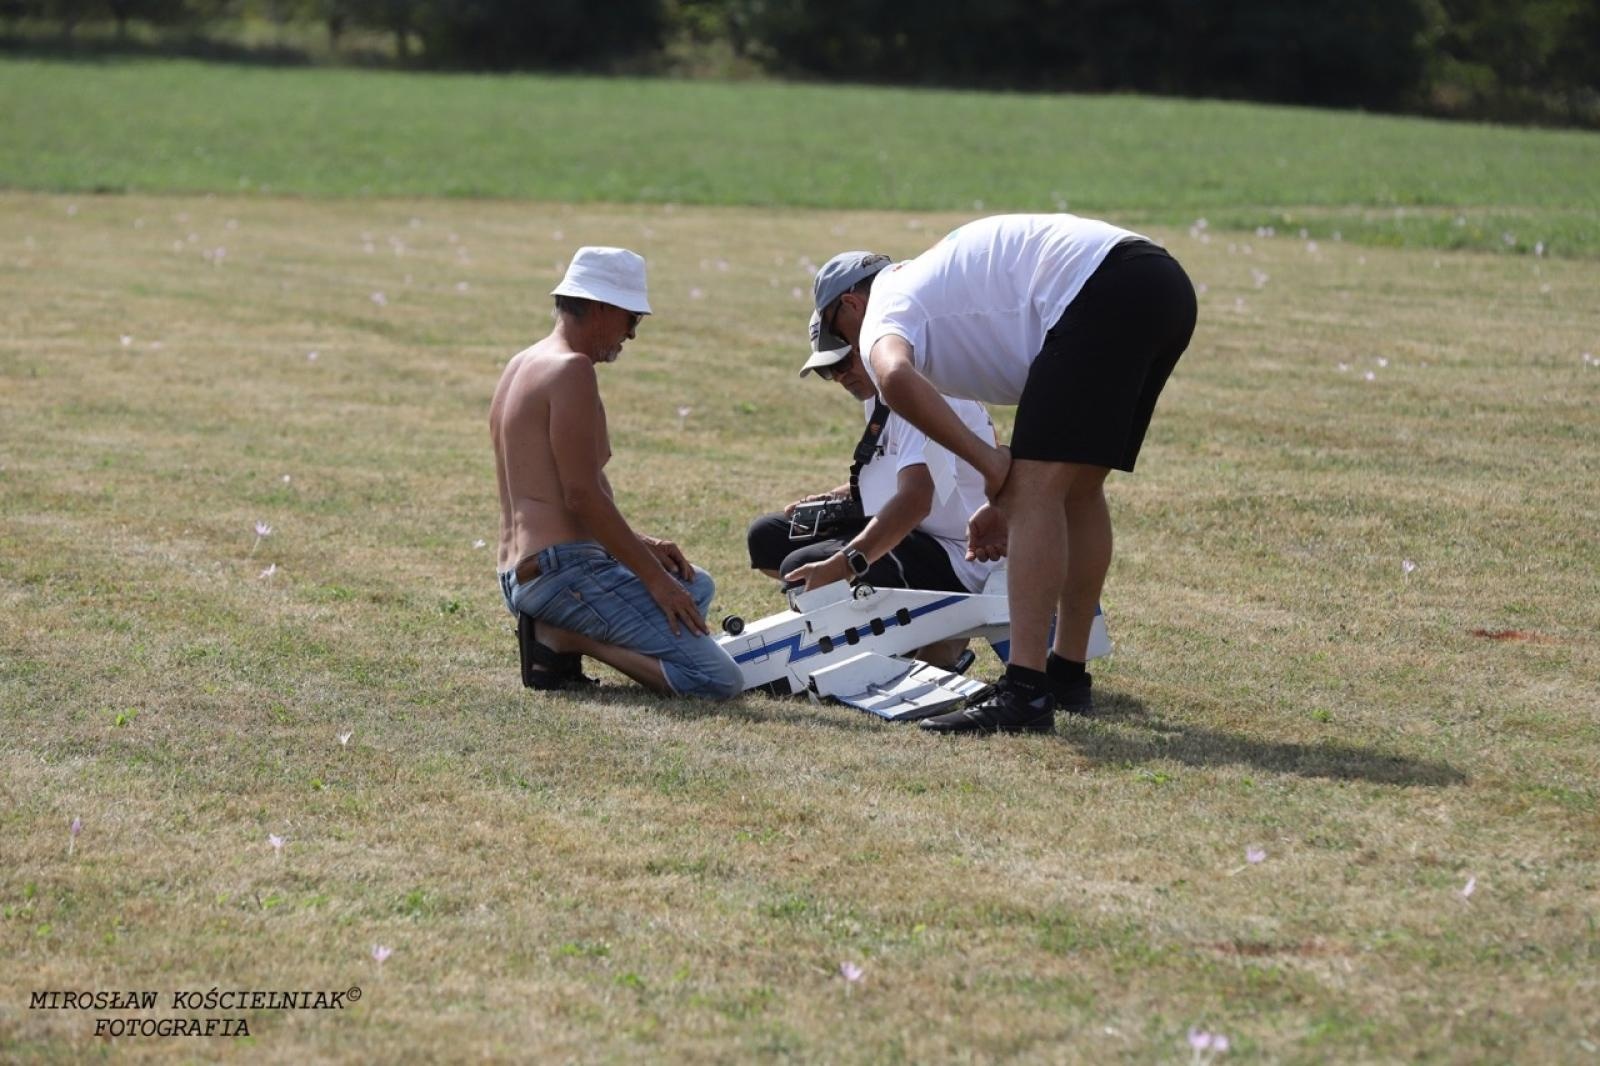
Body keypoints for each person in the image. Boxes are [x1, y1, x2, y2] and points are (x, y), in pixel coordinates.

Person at [813, 217, 1197, 734]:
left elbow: (895, 377)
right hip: (1158, 281)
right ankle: (1066, 674)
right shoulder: (929, 284)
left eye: (839, 336)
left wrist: (991, 467)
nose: (846, 357)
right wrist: (1004, 495)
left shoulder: (885, 307)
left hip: (1097, 288)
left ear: (850, 306)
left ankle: (1025, 691)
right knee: (1077, 491)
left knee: (1040, 491)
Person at [490, 246, 742, 700]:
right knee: (718, 680)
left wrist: (644, 547)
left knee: (695, 585)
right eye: (633, 319)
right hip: (560, 575)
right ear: (604, 307)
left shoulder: (521, 364)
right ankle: (564, 637)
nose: (632, 335)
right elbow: (581, 495)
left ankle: (554, 646)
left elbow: (554, 491)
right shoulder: (572, 370)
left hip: (520, 571)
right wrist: (654, 580)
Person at [745, 300, 1001, 667]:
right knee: (768, 535)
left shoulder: (915, 389)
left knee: (808, 564)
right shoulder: (878, 391)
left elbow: (916, 501)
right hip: (919, 529)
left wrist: (842, 564)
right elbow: (902, 475)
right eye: (826, 371)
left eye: (842, 362)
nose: (838, 377)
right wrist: (836, 498)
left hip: (962, 553)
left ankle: (931, 642)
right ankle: (905, 638)